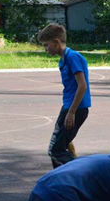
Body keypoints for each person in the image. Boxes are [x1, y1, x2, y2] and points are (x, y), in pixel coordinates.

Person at [39, 23, 91, 169]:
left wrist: (72, 112)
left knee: (56, 150)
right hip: (68, 106)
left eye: (46, 45)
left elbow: (82, 86)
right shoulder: (63, 59)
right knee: (59, 147)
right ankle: (60, 180)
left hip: (76, 109)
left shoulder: (72, 57)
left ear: (56, 42)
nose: (45, 49)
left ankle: (81, 173)